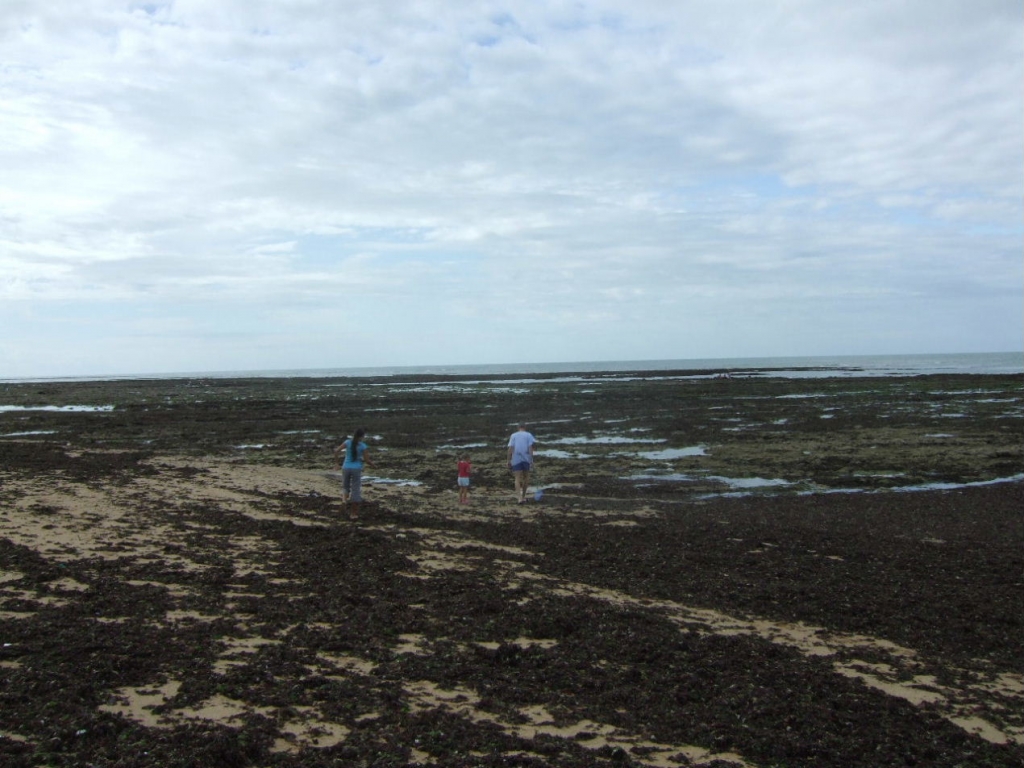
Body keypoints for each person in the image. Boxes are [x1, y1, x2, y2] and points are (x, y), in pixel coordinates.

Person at [334, 427, 370, 519]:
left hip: (346, 467)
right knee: (355, 490)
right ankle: (353, 514)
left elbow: (336, 451)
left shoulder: (347, 442)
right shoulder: (363, 446)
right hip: (356, 469)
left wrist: (337, 463)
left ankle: (344, 501)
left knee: (345, 487)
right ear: (362, 436)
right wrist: (374, 465)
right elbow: (367, 460)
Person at [506, 424, 536, 504]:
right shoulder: (528, 435)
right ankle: (523, 496)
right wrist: (531, 460)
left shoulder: (514, 435)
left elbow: (510, 448)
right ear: (525, 428)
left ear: (518, 428)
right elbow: (530, 448)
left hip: (516, 459)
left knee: (517, 478)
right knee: (526, 478)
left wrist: (508, 460)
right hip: (526, 459)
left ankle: (519, 498)